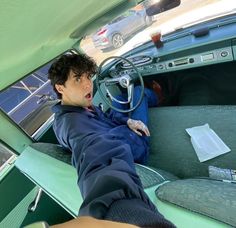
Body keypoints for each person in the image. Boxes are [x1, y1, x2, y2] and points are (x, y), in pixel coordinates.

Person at [48, 53, 175, 227]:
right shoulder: (72, 126)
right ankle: (159, 97)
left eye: (88, 76)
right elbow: (97, 153)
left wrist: (127, 121)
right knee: (138, 92)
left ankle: (140, 106)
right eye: (78, 79)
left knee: (123, 98)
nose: (88, 84)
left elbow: (105, 116)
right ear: (60, 88)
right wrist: (118, 209)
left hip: (120, 129)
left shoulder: (78, 106)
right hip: (135, 143)